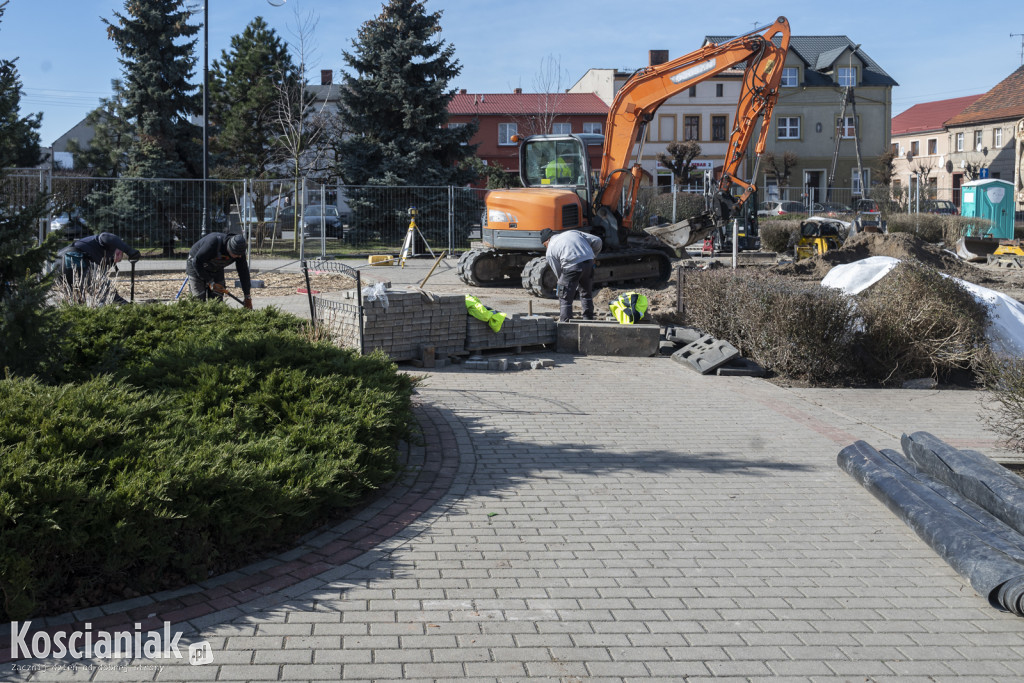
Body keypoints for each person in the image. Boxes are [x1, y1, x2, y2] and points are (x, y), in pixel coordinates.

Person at [55, 232, 141, 303]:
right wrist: (129, 250)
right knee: (104, 291)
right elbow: (106, 236)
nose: (118, 256)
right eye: (120, 254)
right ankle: (127, 309)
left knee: (76, 301)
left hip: (57, 263)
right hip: (72, 257)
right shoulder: (107, 242)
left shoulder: (101, 257)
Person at [540, 228, 602, 322]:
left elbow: (559, 273)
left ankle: (566, 323)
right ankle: (588, 320)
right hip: (589, 263)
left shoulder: (550, 250)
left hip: (571, 266)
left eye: (545, 245)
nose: (546, 248)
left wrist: (565, 285)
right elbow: (597, 241)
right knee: (586, 294)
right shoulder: (572, 232)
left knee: (564, 297)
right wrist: (593, 256)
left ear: (547, 240)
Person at [186, 232, 252, 308]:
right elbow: (197, 262)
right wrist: (210, 281)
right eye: (236, 255)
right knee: (198, 300)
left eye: (240, 255)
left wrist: (247, 296)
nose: (239, 257)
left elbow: (244, 273)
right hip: (196, 265)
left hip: (216, 268)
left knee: (217, 300)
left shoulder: (240, 252)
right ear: (229, 248)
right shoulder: (213, 243)